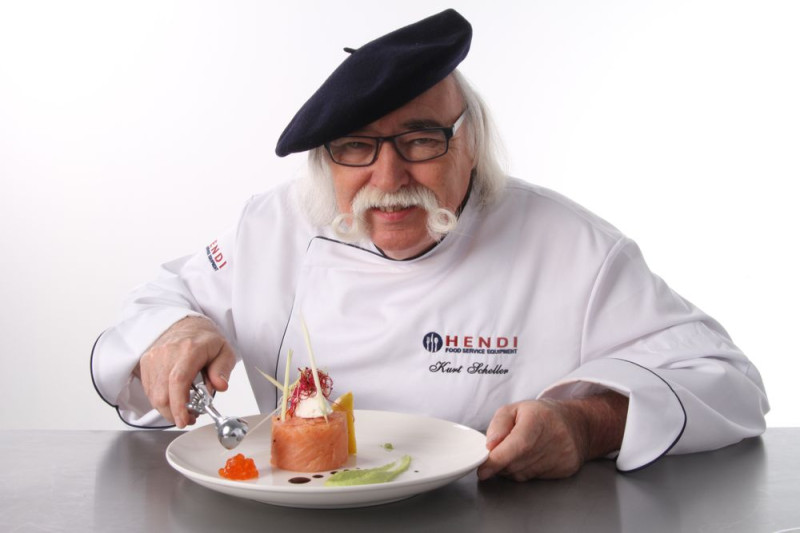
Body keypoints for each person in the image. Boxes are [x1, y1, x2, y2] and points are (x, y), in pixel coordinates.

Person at [91, 9, 768, 481]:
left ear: (470, 142)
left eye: (420, 140)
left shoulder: (573, 248)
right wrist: (172, 331)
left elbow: (729, 382)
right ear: (326, 161)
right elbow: (155, 305)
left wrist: (586, 426)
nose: (389, 180)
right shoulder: (274, 229)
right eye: (356, 146)